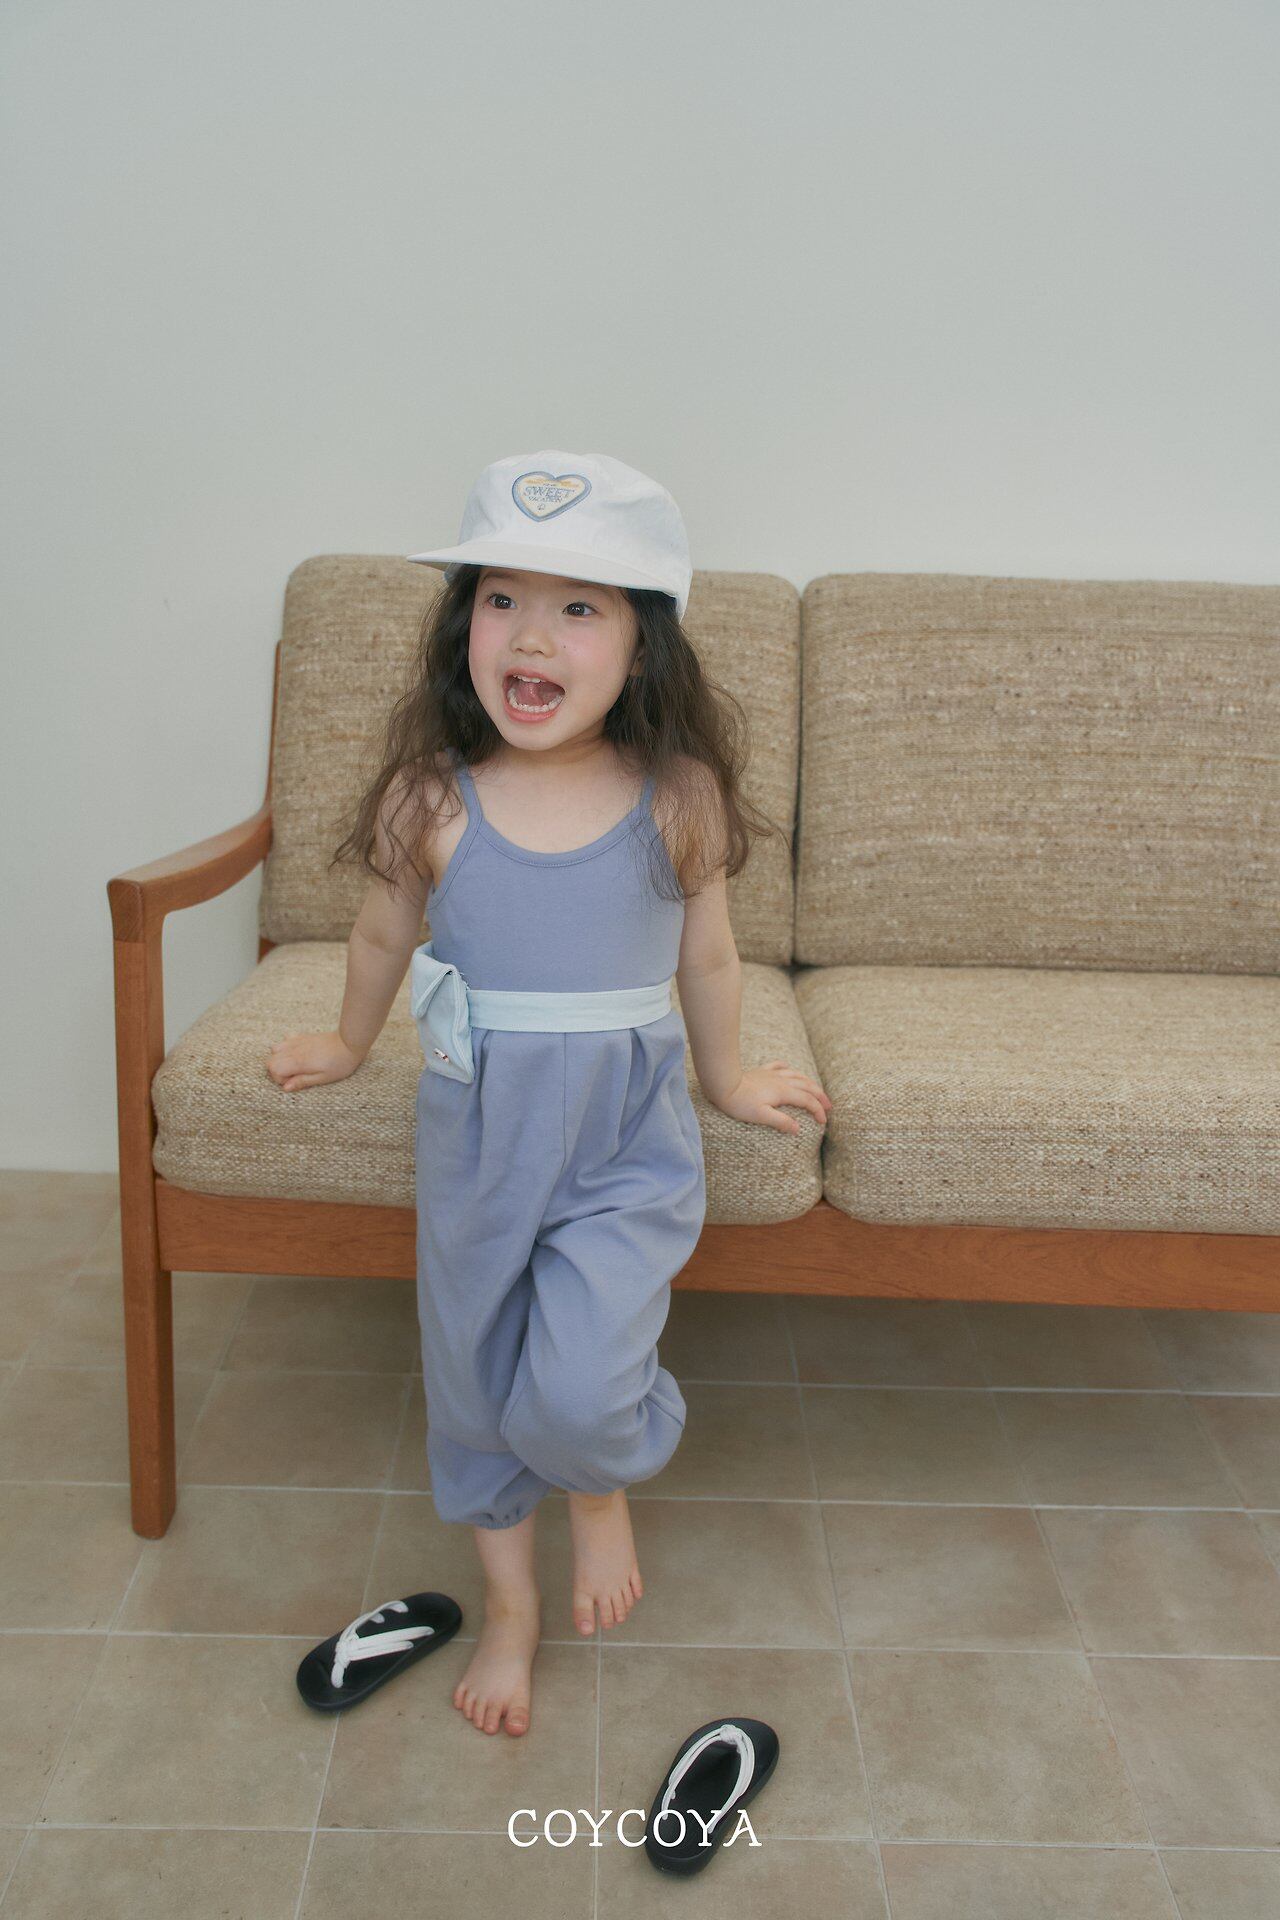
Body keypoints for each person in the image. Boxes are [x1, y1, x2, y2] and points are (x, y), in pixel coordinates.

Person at [267, 449, 832, 1739]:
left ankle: (599, 1476)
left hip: (624, 1142)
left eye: (579, 607)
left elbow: (708, 958)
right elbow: (379, 937)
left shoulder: (677, 801)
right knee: (473, 1381)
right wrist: (348, 1044)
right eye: (502, 599)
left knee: (579, 1388)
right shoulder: (431, 800)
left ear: (642, 648)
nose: (531, 634)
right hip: (481, 1141)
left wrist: (729, 1075)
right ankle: (511, 1610)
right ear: (463, 624)